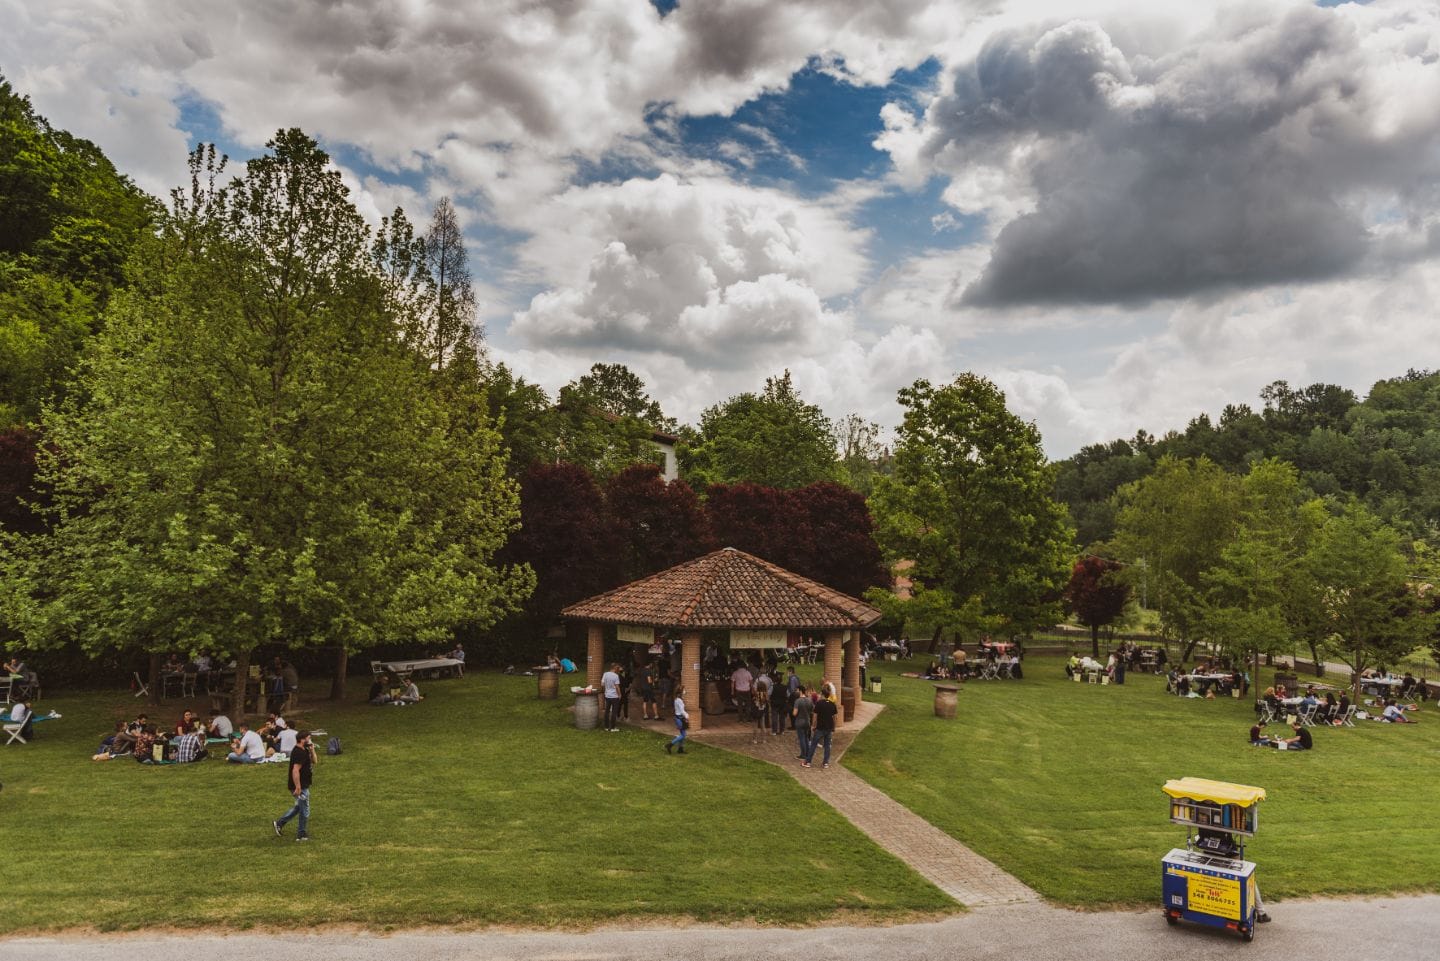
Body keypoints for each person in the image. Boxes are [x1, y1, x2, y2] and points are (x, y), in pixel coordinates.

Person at [272, 730, 315, 841]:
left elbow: (315, 761)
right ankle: (301, 834)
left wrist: (312, 750)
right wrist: (298, 787)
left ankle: (280, 823)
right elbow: (295, 770)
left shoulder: (305, 749)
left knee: (299, 807)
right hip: (300, 786)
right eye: (308, 738)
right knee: (305, 810)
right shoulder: (298, 752)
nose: (310, 740)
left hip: (304, 784)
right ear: (302, 739)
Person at [809, 687, 838, 769]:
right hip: (829, 728)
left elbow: (815, 716)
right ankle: (825, 763)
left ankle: (808, 761)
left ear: (822, 694)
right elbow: (835, 717)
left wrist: (813, 725)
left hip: (820, 728)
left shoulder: (819, 703)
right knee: (827, 746)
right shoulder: (832, 704)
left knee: (813, 745)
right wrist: (834, 727)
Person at [792, 684, 814, 763]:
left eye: (797, 690)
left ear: (800, 691)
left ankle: (803, 755)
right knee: (806, 738)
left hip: (799, 722)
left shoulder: (797, 701)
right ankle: (807, 753)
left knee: (801, 738)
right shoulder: (809, 700)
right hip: (807, 721)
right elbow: (812, 710)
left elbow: (794, 713)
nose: (796, 692)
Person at [666, 685, 688, 755]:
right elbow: (682, 711)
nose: (685, 691)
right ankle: (670, 745)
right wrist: (687, 716)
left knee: (682, 734)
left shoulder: (677, 699)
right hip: (680, 719)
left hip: (679, 718)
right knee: (683, 735)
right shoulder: (679, 700)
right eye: (684, 690)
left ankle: (680, 749)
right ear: (680, 692)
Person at [601, 662, 622, 732]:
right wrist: (619, 695)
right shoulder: (616, 676)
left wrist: (605, 691)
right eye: (617, 668)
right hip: (614, 696)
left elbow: (602, 684)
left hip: (607, 696)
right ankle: (612, 728)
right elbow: (617, 687)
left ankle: (606, 727)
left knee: (607, 711)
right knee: (614, 712)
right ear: (615, 668)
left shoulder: (605, 674)